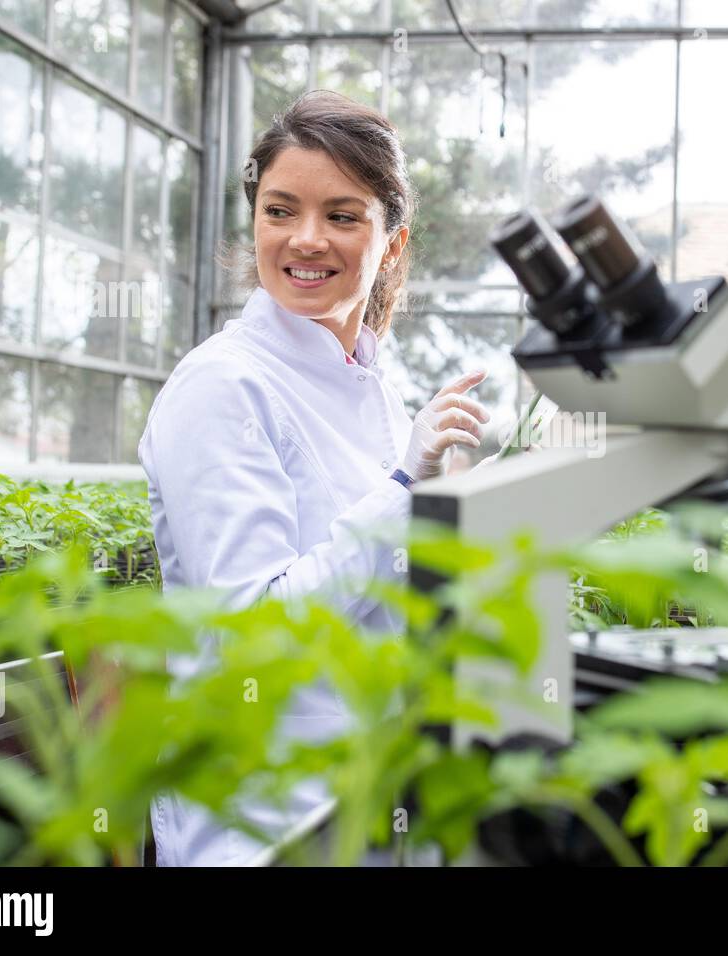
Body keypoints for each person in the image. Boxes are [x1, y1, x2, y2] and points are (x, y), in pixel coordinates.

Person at [137, 90, 491, 866]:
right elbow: (255, 629)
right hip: (269, 819)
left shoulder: (373, 381)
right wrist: (405, 486)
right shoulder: (223, 387)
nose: (305, 239)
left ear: (392, 242)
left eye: (342, 215)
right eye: (280, 210)